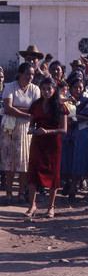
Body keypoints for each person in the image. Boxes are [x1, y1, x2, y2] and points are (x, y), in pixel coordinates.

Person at [23, 78, 68, 218]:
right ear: (40, 90)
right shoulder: (36, 105)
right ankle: (32, 205)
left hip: (53, 143)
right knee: (33, 171)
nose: (46, 91)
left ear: (54, 90)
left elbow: (64, 129)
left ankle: (51, 206)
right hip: (38, 142)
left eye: (49, 89)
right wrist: (31, 130)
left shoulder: (60, 106)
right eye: (44, 89)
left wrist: (48, 131)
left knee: (53, 173)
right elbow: (31, 124)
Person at [1, 62, 40, 205]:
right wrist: (27, 112)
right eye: (27, 74)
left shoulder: (35, 89)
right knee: (10, 161)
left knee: (25, 161)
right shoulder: (10, 87)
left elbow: (36, 110)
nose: (30, 77)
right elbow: (7, 108)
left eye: (32, 74)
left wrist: (19, 110)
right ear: (20, 73)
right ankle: (9, 192)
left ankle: (21, 192)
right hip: (10, 128)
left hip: (27, 129)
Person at [60, 77, 88, 201]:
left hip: (81, 134)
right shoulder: (65, 100)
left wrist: (72, 117)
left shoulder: (87, 101)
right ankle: (67, 182)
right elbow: (59, 111)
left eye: (80, 87)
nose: (78, 90)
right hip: (67, 134)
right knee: (66, 160)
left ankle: (73, 188)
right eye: (75, 87)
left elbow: (87, 115)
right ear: (70, 88)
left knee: (78, 161)